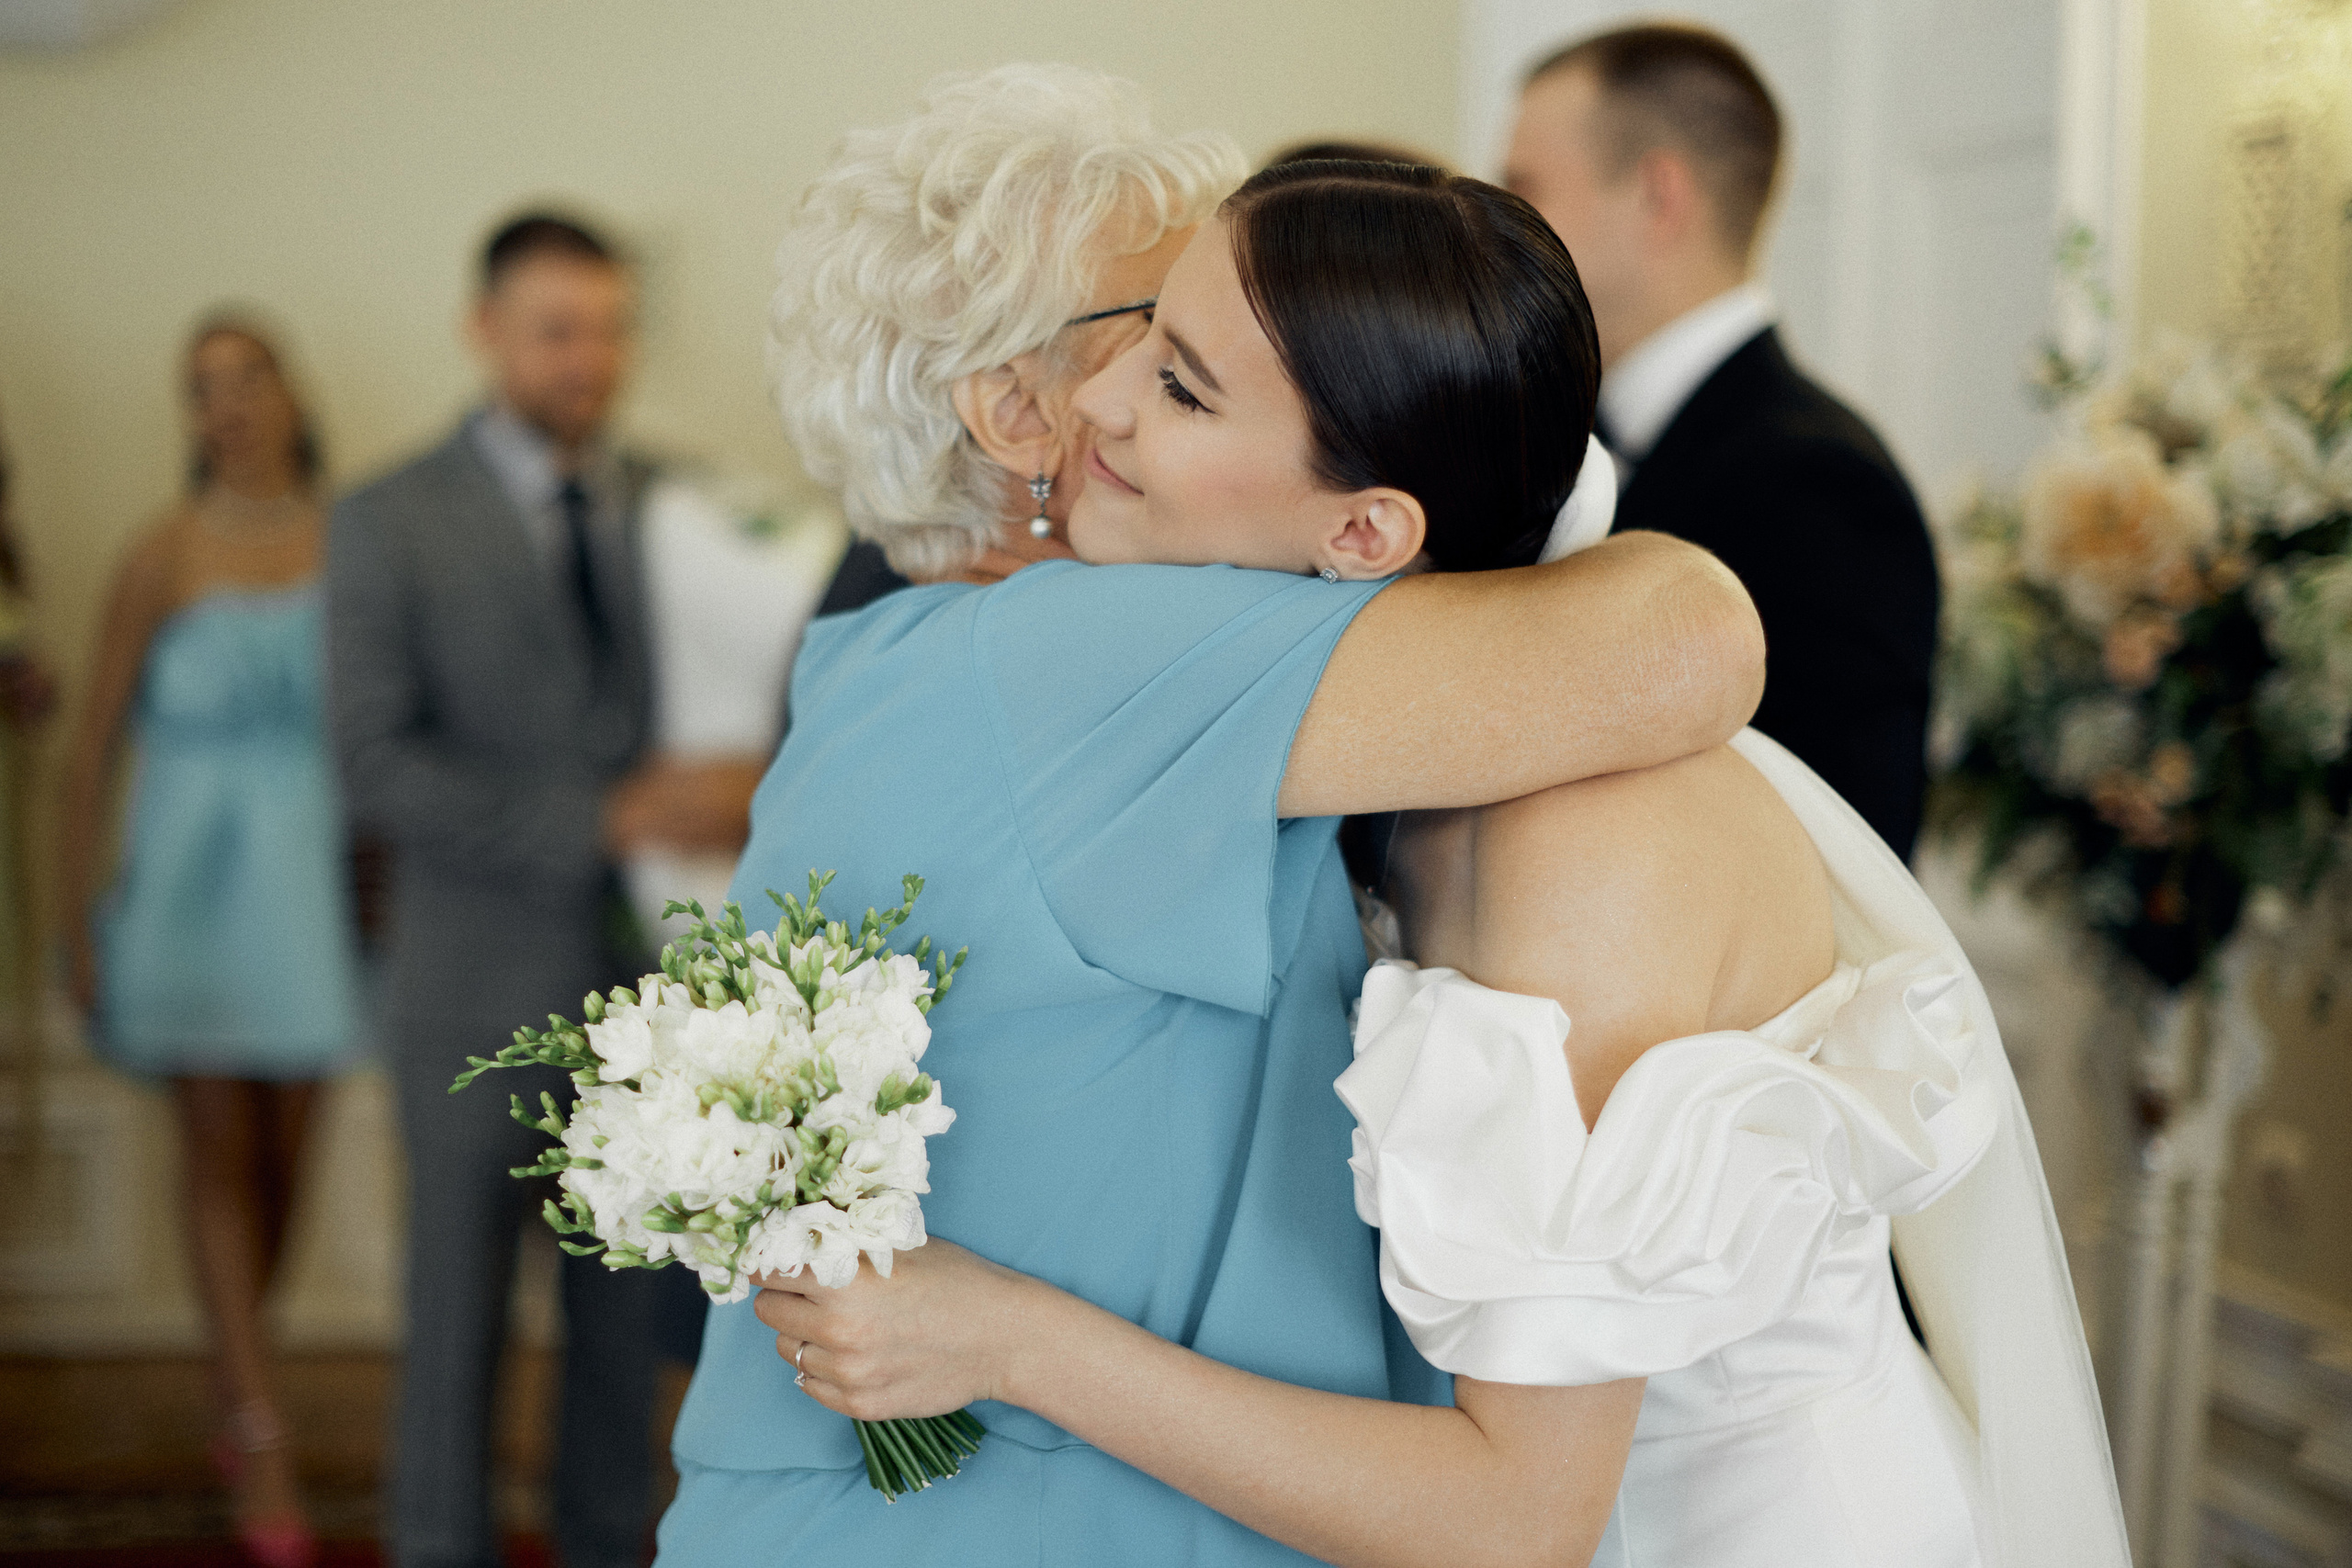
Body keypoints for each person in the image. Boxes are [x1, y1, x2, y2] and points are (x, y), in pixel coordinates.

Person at [753, 162, 2129, 1568]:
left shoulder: (1583, 839)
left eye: (1179, 384)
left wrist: (1005, 1334)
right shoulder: (1382, 758)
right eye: (1147, 334)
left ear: (1364, 532)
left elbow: (1519, 1513)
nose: (1093, 400)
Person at [653, 68, 1763, 1567]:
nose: (1132, 397)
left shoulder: (883, 670)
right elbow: (1687, 638)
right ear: (1017, 410)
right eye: (1158, 342)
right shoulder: (1075, 668)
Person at [325, 212, 745, 1568]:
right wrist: (598, 815)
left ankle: (610, 1545)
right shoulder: (389, 518)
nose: (591, 358)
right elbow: (373, 759)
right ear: (485, 329)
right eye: (560, 329)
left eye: (611, 328)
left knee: (623, 1334)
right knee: (453, 1327)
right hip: (466, 989)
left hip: (649, 1003)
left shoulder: (686, 505)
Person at [60, 316, 364, 1568]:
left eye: (247, 379)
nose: (227, 405)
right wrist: (77, 916)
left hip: (311, 887)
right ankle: (261, 1424)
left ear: (294, 392)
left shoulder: (354, 542)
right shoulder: (159, 553)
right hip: (183, 886)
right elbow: (89, 751)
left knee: (286, 1152)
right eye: (203, 389)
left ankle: (238, 1376)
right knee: (215, 1145)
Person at [1502, 23, 1940, 861]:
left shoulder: (1820, 482)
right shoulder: (1555, 433)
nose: (1499, 225)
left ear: (1657, 195)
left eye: (1525, 188)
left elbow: (1845, 852)